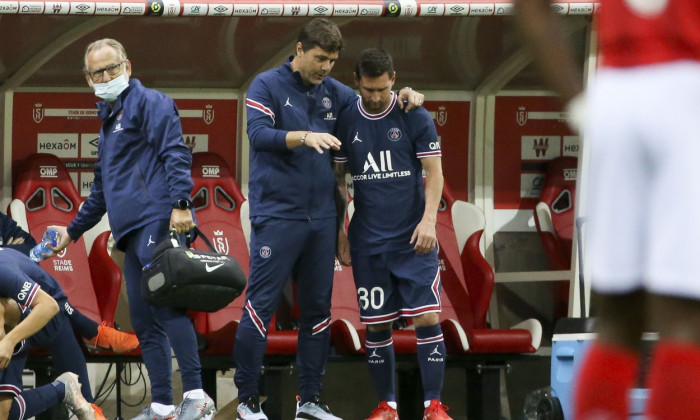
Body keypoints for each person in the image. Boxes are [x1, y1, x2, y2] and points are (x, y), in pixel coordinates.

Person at [515, 1, 700, 419]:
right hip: (688, 92)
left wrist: (580, 105)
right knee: (684, 320)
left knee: (618, 315)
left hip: (616, 93)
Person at [238, 18, 424, 420]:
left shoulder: (336, 94)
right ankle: (248, 400)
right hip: (277, 215)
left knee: (319, 309)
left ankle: (310, 400)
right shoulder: (265, 85)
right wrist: (304, 136)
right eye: (320, 58)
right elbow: (258, 135)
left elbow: (375, 104)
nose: (325, 67)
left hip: (322, 219)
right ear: (300, 50)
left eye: (333, 61)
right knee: (260, 306)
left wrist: (406, 94)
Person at [49, 38, 215, 420]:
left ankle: (197, 396)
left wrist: (181, 204)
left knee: (168, 308)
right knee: (143, 319)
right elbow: (101, 193)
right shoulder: (108, 124)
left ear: (127, 65)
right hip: (131, 233)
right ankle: (162, 405)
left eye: (112, 68)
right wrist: (71, 233)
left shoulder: (150, 102)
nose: (106, 76)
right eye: (97, 72)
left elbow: (175, 152)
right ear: (87, 78)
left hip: (157, 218)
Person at [332, 48, 450, 420]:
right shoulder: (347, 118)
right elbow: (338, 181)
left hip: (414, 240)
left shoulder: (414, 114)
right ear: (357, 82)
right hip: (368, 241)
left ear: (394, 80)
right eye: (368, 90)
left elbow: (435, 173)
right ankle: (387, 406)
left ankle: (434, 406)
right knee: (376, 324)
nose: (376, 97)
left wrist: (429, 220)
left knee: (428, 317)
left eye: (382, 89)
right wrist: (341, 230)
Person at [0, 210, 139, 353]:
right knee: (52, 310)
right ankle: (92, 332)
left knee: (56, 316)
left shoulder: (1, 220)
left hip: (11, 295)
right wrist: (9, 250)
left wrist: (7, 251)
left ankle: (85, 347)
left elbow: (30, 250)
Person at [0, 246, 107, 420]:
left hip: (50, 317)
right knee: (5, 413)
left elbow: (49, 306)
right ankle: (62, 388)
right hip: (23, 316)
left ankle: (64, 388)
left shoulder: (2, 270)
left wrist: (9, 341)